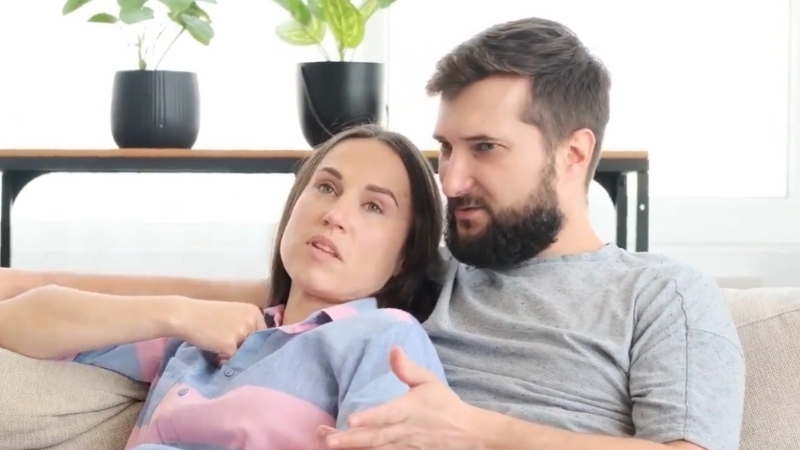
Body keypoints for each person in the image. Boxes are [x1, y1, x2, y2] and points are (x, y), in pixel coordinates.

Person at [315, 17, 746, 450]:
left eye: (485, 147)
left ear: (573, 154)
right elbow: (290, 293)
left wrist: (475, 431)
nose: (450, 182)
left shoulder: (661, 295)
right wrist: (245, 311)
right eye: (446, 148)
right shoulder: (423, 270)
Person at [0, 125, 448, 449]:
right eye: (327, 188)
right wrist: (177, 313)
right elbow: (15, 324)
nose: (336, 214)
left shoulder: (387, 335)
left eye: (373, 206)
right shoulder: (205, 334)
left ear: (405, 256)